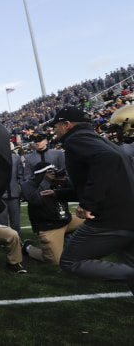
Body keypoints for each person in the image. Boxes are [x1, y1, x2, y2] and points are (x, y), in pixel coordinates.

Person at [49, 106, 134, 291]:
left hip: (112, 219)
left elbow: (107, 159)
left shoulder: (76, 139)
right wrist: (58, 194)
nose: (54, 130)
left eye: (55, 126)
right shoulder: (97, 139)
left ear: (67, 124)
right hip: (126, 215)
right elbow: (101, 178)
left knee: (70, 261)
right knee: (129, 269)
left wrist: (88, 203)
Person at [21, 162, 83, 265]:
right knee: (55, 260)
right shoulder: (28, 184)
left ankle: (71, 238)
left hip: (66, 219)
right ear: (40, 173)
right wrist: (46, 181)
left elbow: (78, 191)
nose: (53, 173)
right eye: (49, 171)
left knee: (93, 217)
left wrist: (66, 179)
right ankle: (27, 248)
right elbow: (35, 199)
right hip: (49, 227)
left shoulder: (58, 182)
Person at [0, 151, 24, 235]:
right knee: (2, 221)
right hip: (0, 196)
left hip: (14, 194)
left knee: (15, 221)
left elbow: (20, 176)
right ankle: (3, 240)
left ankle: (17, 239)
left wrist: (22, 190)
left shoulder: (16, 158)